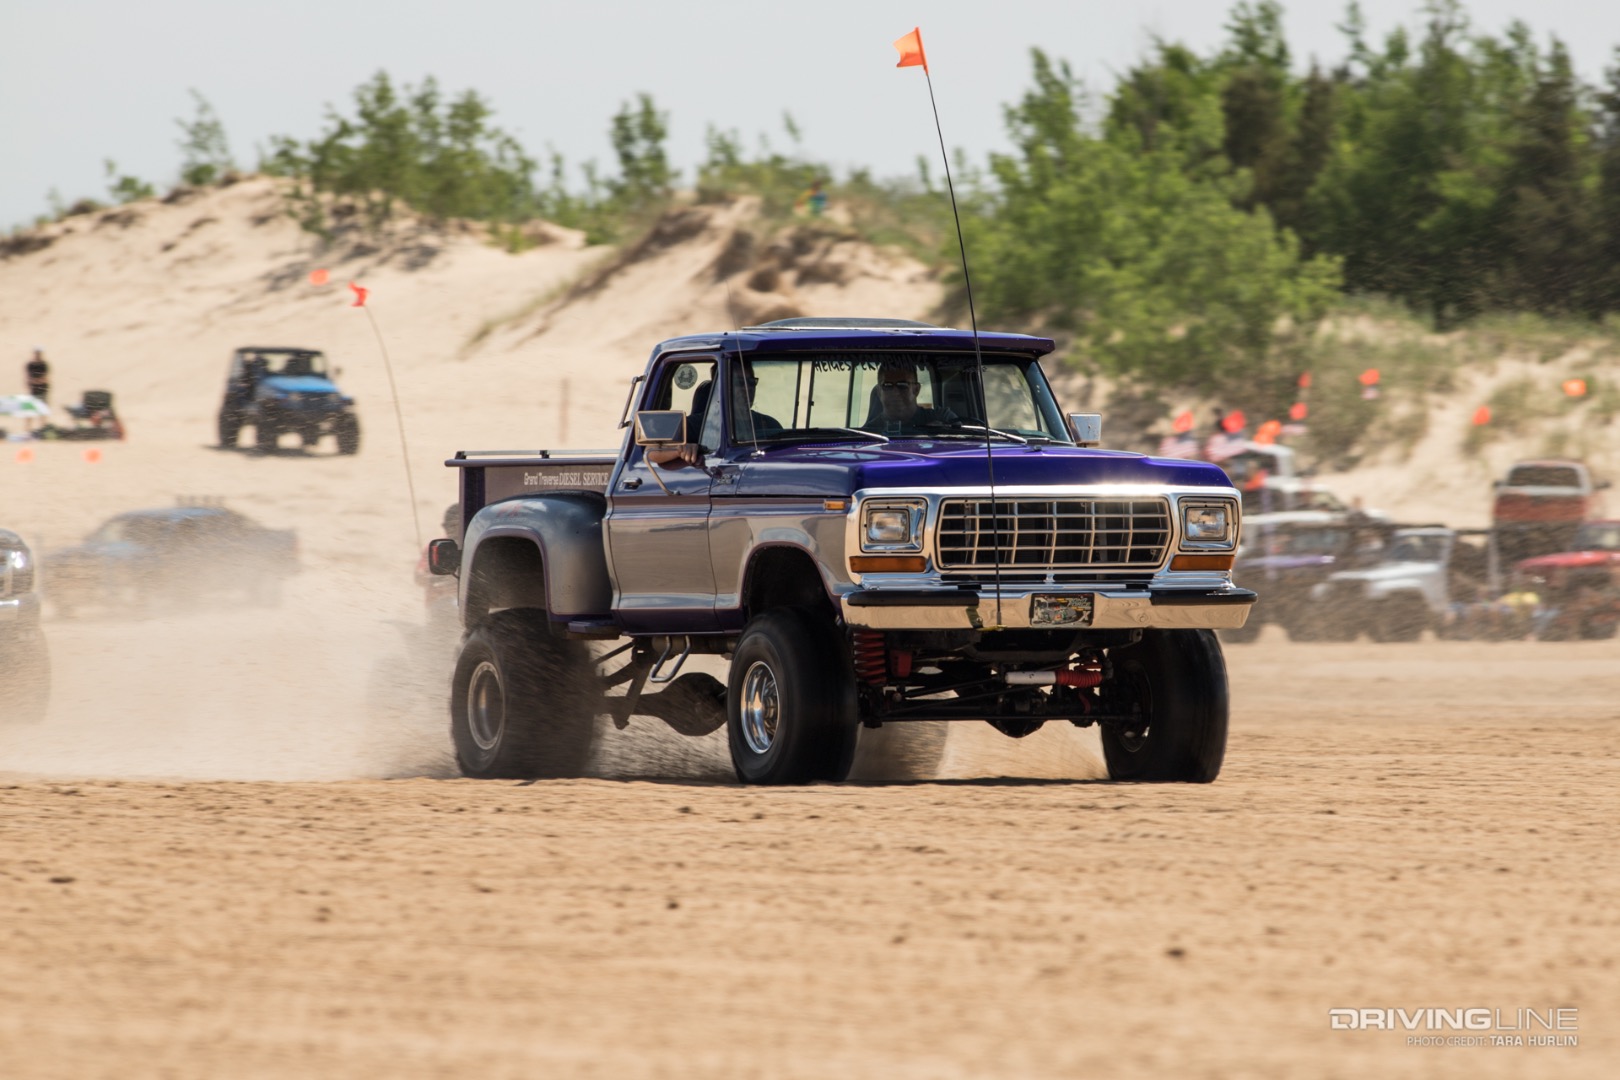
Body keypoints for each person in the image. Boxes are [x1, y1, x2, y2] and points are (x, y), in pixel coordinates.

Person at [863, 360, 958, 433]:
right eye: (887, 386)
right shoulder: (869, 433)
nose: (895, 392)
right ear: (879, 392)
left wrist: (942, 433)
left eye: (902, 385)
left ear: (916, 390)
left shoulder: (943, 418)